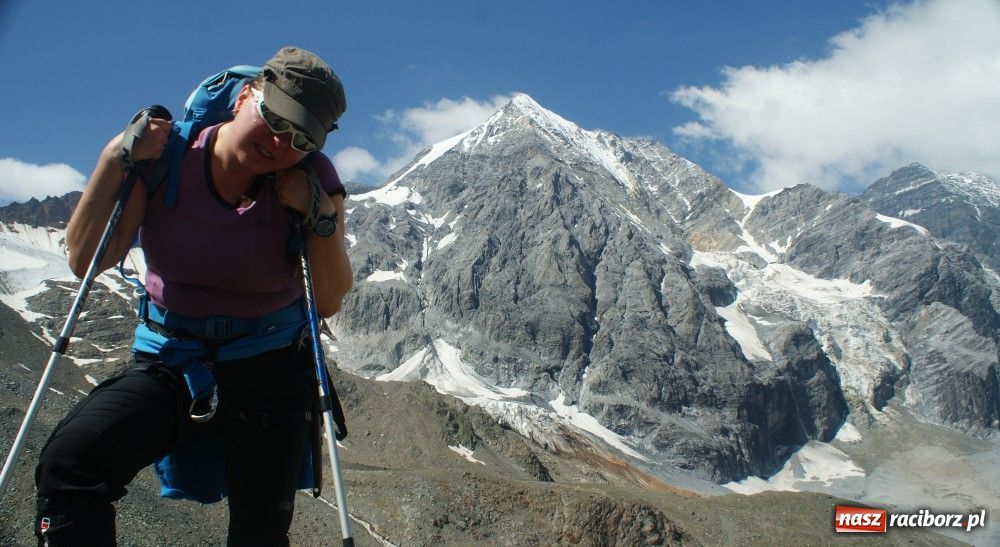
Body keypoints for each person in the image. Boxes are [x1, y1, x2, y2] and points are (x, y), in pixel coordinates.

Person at [34, 47, 352, 546]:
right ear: (245, 96)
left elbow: (327, 299)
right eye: (275, 120)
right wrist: (117, 157)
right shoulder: (168, 156)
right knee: (70, 463)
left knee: (260, 533)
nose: (280, 143)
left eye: (301, 139)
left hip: (271, 365)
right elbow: (88, 259)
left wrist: (320, 214)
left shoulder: (311, 179)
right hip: (173, 356)